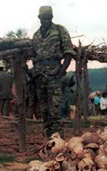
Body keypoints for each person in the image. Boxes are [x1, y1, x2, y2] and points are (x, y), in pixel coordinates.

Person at [32, 5, 76, 138]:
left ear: (52, 17)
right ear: (39, 18)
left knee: (55, 109)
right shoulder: (36, 35)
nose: (46, 20)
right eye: (43, 18)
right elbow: (34, 55)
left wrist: (62, 71)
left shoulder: (59, 30)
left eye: (48, 18)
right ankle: (48, 139)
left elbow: (69, 52)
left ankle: (58, 141)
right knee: (43, 109)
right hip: (40, 76)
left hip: (54, 74)